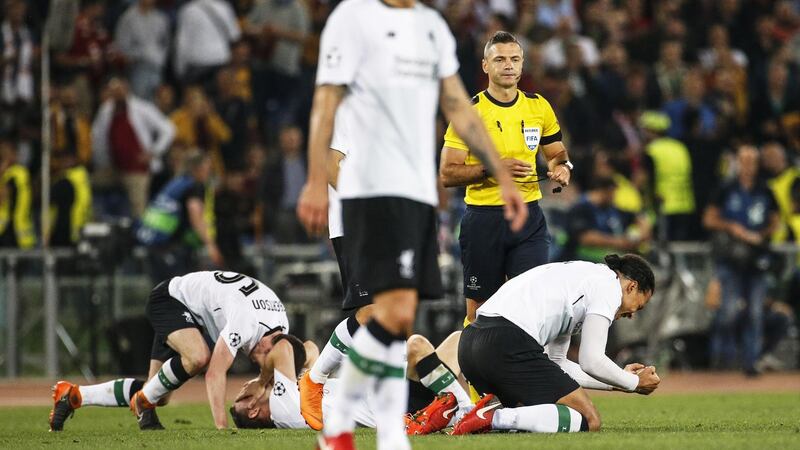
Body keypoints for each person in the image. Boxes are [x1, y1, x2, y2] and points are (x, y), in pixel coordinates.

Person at [296, 0, 527, 448]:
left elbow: (458, 103)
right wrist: (312, 179)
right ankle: (365, 423)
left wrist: (499, 172)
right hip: (365, 195)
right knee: (376, 316)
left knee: (397, 318)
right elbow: (325, 101)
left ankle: (342, 420)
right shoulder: (353, 18)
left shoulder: (431, 27)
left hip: (412, 192)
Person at [49, 270, 298, 431]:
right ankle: (143, 401)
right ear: (269, 342)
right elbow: (214, 373)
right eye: (264, 357)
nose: (259, 361)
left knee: (161, 394)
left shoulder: (278, 328)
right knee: (199, 357)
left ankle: (72, 395)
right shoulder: (248, 322)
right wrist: (222, 428)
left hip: (192, 311)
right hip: (170, 300)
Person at [440, 30, 572, 323]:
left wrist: (563, 168)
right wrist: (493, 168)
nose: (508, 65)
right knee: (480, 311)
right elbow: (448, 173)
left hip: (529, 217)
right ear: (486, 66)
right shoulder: (471, 112)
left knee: (531, 301)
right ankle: (471, 368)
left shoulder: (538, 106)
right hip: (484, 218)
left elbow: (557, 154)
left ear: (522, 64)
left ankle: (518, 367)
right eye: (500, 59)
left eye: (514, 59)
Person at [453, 254, 660, 435]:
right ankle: (492, 416)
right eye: (638, 306)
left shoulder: (582, 278)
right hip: (505, 343)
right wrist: (634, 383)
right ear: (631, 286)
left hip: (470, 344)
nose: (631, 315)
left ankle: (456, 413)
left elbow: (558, 364)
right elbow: (591, 360)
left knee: (532, 417)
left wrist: (621, 381)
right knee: (588, 419)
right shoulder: (609, 287)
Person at [233, 331, 472, 434]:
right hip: (393, 405)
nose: (245, 386)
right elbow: (283, 348)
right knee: (416, 345)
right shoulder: (281, 408)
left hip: (392, 392)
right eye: (243, 395)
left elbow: (311, 350)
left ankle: (473, 409)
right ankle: (468, 413)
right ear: (253, 410)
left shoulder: (291, 397)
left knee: (461, 340)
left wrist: (271, 378)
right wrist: (262, 380)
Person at [703, 145, 780, 375]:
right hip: (730, 257)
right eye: (744, 161)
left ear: (757, 164)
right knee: (728, 313)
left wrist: (761, 235)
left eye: (752, 161)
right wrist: (732, 227)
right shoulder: (726, 188)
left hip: (756, 258)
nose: (748, 166)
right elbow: (708, 219)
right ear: (737, 163)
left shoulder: (765, 190)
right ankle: (722, 358)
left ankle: (750, 362)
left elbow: (775, 221)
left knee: (755, 313)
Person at [91, 77, 175, 218]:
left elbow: (168, 129)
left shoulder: (142, 108)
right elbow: (97, 136)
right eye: (114, 91)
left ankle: (140, 234)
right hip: (113, 168)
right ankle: (95, 224)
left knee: (138, 207)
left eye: (120, 90)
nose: (117, 94)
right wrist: (101, 162)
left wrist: (154, 152)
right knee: (88, 184)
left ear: (126, 89)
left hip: (136, 169)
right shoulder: (106, 110)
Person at [136, 150, 223, 281]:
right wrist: (210, 245)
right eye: (207, 168)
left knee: (160, 292)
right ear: (197, 168)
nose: (208, 172)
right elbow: (195, 213)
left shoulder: (176, 183)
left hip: (154, 243)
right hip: (171, 247)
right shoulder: (194, 186)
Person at [562, 177, 651, 263]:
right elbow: (585, 238)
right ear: (605, 191)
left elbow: (639, 218)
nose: (614, 196)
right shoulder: (580, 208)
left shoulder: (612, 209)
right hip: (583, 260)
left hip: (608, 260)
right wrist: (619, 242)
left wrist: (643, 232)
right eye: (613, 192)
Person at [114, 0, 171, 100]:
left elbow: (166, 43)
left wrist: (160, 58)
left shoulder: (160, 18)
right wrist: (134, 57)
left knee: (155, 102)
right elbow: (122, 45)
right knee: (138, 101)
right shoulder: (128, 17)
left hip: (157, 66)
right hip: (138, 66)